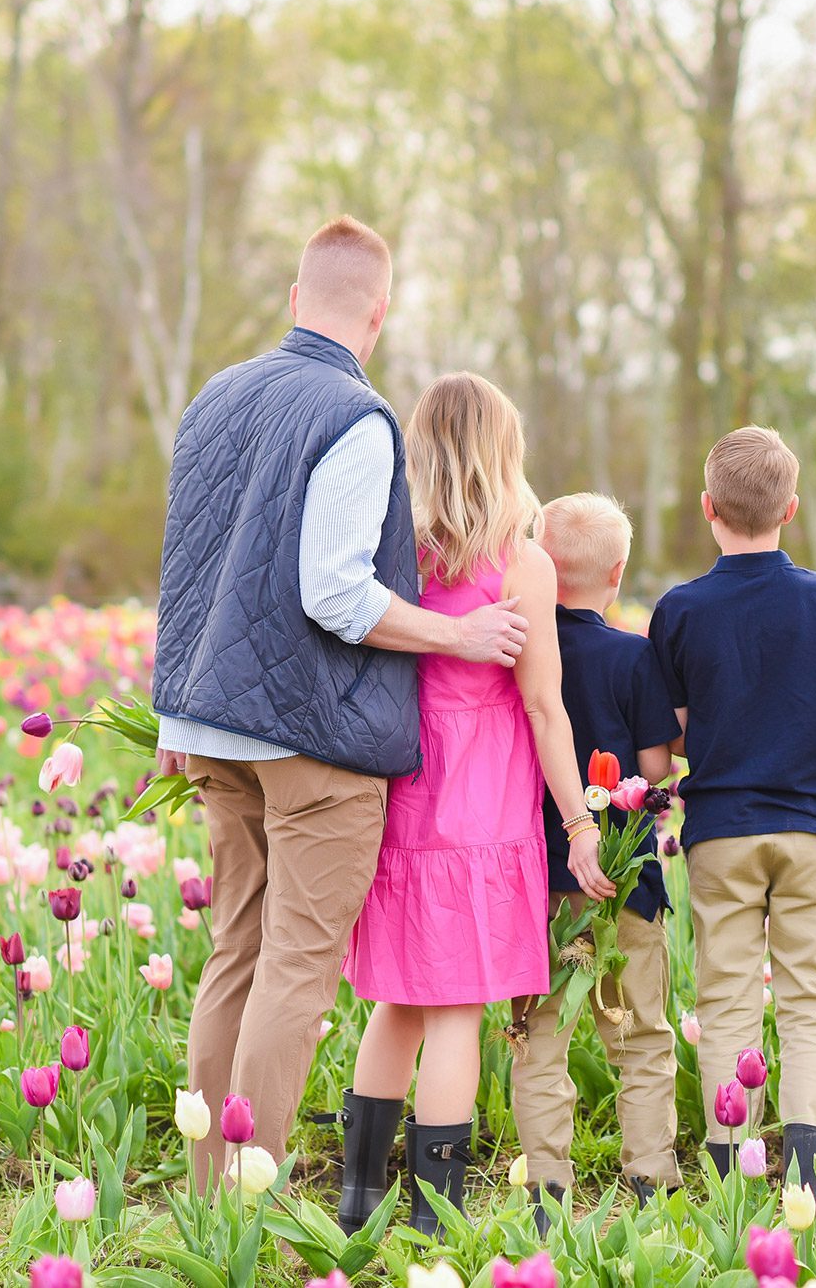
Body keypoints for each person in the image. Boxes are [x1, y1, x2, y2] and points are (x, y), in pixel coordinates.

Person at [151, 217, 529, 1193]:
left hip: (210, 724)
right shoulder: (353, 418)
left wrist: (170, 717)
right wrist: (455, 635)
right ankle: (253, 1185)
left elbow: (189, 571)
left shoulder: (213, 398)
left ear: (292, 298)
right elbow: (334, 593)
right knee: (295, 967)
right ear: (379, 312)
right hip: (309, 736)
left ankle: (207, 1185)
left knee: (233, 949)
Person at [337, 373, 616, 1237]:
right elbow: (543, 706)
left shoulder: (394, 551)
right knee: (456, 1006)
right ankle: (434, 1216)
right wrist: (577, 820)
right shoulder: (520, 563)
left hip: (404, 787)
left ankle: (357, 1200)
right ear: (504, 449)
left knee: (401, 999)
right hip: (482, 799)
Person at [647, 426, 816, 1222]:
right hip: (812, 826)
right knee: (815, 1000)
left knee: (727, 998)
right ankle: (809, 1184)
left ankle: (730, 1173)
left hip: (720, 828)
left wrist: (720, 737)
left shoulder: (678, 609)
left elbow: (676, 733)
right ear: (790, 507)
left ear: (709, 509)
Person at [511, 493, 683, 1221]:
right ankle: (650, 1178)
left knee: (539, 1032)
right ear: (617, 572)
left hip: (538, 874)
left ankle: (547, 1186)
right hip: (625, 875)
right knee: (640, 1027)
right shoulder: (633, 655)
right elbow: (652, 770)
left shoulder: (514, 646)